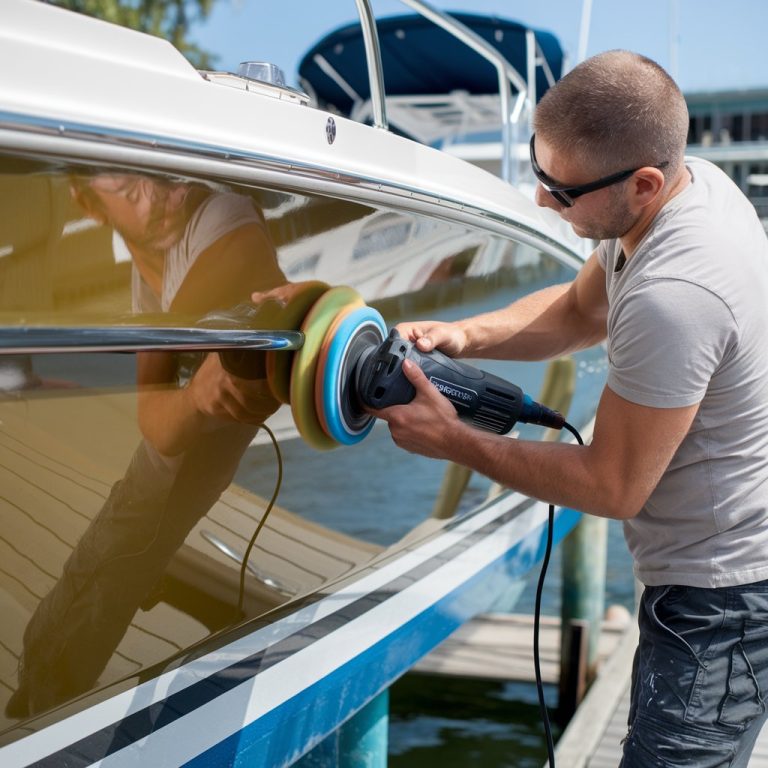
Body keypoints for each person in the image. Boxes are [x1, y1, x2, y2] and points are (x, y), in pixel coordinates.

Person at [372, 50, 768, 767]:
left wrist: (453, 439)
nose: (540, 201)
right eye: (536, 168)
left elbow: (611, 486)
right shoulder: (680, 187)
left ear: (644, 183)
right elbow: (582, 309)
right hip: (704, 573)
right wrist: (464, 333)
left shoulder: (678, 290)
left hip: (725, 600)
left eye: (560, 189)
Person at [7, 174, 286, 717]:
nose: (158, 199)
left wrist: (187, 403)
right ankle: (46, 697)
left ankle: (38, 712)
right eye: (132, 192)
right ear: (87, 203)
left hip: (176, 471)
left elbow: (158, 423)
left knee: (102, 567)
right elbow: (156, 403)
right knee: (110, 561)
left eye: (163, 180)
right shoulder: (149, 254)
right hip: (174, 471)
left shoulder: (227, 229)